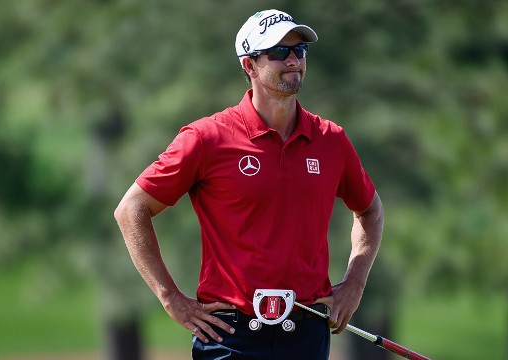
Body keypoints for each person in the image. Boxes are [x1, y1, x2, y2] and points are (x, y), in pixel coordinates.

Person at [114, 8, 384, 360]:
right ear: (249, 65)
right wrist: (171, 298)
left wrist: (355, 283)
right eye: (278, 51)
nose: (293, 60)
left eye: (299, 50)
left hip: (306, 331)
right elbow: (131, 209)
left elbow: (370, 211)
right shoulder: (206, 138)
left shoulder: (330, 139)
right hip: (228, 335)